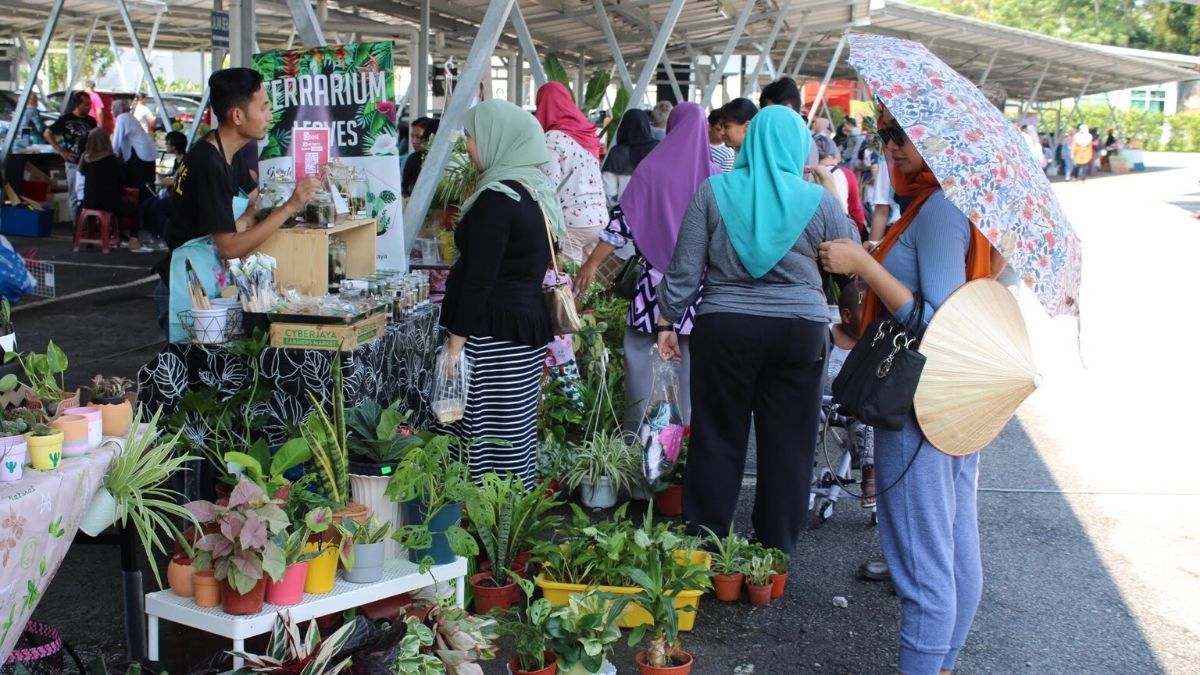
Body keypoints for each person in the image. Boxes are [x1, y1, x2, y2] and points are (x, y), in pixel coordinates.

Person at [818, 107, 994, 675]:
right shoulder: (938, 202)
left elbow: (937, 321)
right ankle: (943, 666)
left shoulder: (940, 209)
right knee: (951, 543)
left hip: (921, 405)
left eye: (905, 137)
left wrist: (865, 267)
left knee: (922, 565)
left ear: (938, 144)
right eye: (885, 134)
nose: (891, 147)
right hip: (950, 403)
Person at [655, 105, 859, 554]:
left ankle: (705, 547)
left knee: (718, 436)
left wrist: (667, 320)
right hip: (800, 332)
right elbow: (852, 261)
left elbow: (685, 272)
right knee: (790, 442)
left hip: (725, 328)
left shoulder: (713, 192)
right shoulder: (819, 201)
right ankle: (773, 553)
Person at [440, 99, 562, 488]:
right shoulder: (534, 192)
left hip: (493, 335)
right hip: (522, 329)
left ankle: (484, 531)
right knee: (513, 434)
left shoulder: (497, 199)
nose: (469, 146)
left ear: (498, 139)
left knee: (485, 436)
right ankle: (510, 527)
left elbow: (480, 279)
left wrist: (455, 346)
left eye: (473, 137)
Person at [577, 102, 720, 431]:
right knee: (691, 366)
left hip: (652, 288)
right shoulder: (714, 176)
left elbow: (620, 226)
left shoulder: (651, 169)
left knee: (641, 359)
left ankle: (639, 437)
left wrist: (591, 265)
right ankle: (684, 441)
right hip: (699, 291)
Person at [165, 67, 319, 340]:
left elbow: (254, 199)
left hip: (209, 273)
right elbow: (229, 247)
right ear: (237, 115)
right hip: (190, 279)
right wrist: (290, 207)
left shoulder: (230, 154)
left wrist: (246, 220)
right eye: (263, 108)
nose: (269, 116)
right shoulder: (209, 162)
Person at [534, 82, 607, 264]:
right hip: (598, 217)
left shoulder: (552, 139)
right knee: (585, 283)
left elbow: (548, 186)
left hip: (573, 222)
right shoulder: (588, 134)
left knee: (565, 284)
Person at [77, 128, 149, 252]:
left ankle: (92, 240)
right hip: (109, 203)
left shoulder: (86, 158)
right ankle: (133, 241)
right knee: (135, 209)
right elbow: (120, 183)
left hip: (88, 202)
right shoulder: (112, 160)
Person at [45, 91, 97, 224]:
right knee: (74, 195)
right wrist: (61, 151)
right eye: (85, 105)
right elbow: (47, 133)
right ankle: (77, 226)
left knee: (89, 194)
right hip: (73, 162)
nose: (88, 107)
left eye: (89, 104)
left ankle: (87, 224)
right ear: (77, 105)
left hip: (89, 162)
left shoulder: (91, 121)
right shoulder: (65, 119)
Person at [759, 77, 820, 169]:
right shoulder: (806, 140)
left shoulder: (797, 142)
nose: (765, 118)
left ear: (788, 109)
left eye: (769, 112)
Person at [601, 109, 658, 206]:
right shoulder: (658, 149)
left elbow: (609, 193)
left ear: (623, 127)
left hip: (626, 213)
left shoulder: (616, 153)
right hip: (653, 210)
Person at [814, 134, 867, 235]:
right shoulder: (846, 174)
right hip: (839, 232)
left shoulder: (805, 171)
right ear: (835, 155)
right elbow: (856, 211)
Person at [111, 99, 158, 202]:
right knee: (147, 186)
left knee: (138, 186)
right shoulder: (129, 117)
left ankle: (139, 212)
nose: (111, 111)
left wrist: (110, 156)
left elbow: (116, 142)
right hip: (146, 155)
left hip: (139, 157)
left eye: (112, 108)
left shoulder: (122, 118)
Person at [401, 117, 439, 197]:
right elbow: (405, 189)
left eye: (419, 137)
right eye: (412, 136)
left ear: (429, 137)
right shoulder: (412, 159)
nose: (413, 141)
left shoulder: (440, 160)